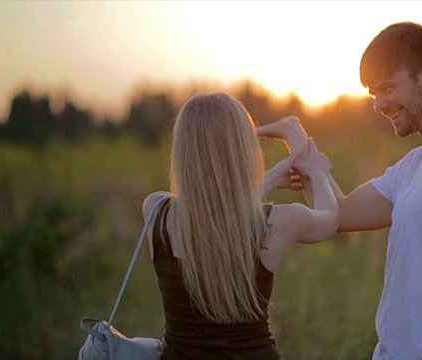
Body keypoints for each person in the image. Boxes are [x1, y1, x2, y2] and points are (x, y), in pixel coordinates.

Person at [259, 22, 422, 360]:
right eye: (373, 94)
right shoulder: (412, 166)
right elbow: (337, 213)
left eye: (386, 88)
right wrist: (295, 137)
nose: (379, 105)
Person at [142, 93, 338, 359]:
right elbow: (329, 217)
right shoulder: (280, 222)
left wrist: (268, 181)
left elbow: (210, 210)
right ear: (244, 150)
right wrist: (317, 172)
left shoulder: (155, 211)